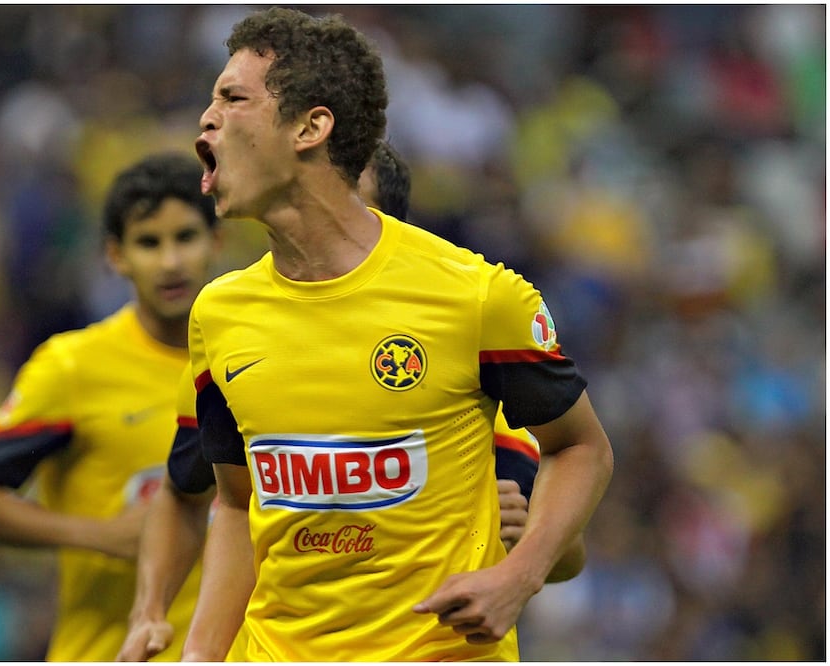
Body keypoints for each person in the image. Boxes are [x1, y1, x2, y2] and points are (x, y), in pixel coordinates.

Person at [179, 7, 613, 662]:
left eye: (232, 98)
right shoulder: (218, 313)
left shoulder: (473, 295)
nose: (206, 120)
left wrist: (517, 576)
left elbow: (580, 448)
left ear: (309, 126)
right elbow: (236, 509)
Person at [116, 141, 585, 662]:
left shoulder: (473, 400)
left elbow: (569, 542)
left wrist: (521, 548)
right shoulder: (227, 338)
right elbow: (198, 495)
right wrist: (155, 615)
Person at [0, 152, 222, 661]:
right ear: (116, 256)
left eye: (185, 237)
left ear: (215, 241)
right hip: (105, 651)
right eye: (148, 243)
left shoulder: (243, 359)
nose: (170, 262)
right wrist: (101, 536)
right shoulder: (73, 368)